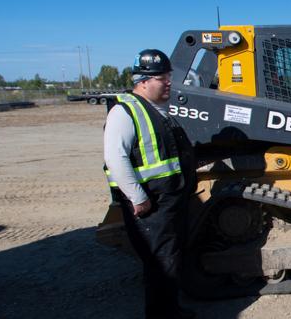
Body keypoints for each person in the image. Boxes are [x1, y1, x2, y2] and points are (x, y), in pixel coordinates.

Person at [103, 49, 196, 319]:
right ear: (143, 81)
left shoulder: (157, 110)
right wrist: (137, 197)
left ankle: (172, 310)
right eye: (161, 78)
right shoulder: (125, 112)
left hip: (166, 202)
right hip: (151, 205)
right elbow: (115, 157)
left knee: (169, 261)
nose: (168, 82)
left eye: (168, 76)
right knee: (160, 265)